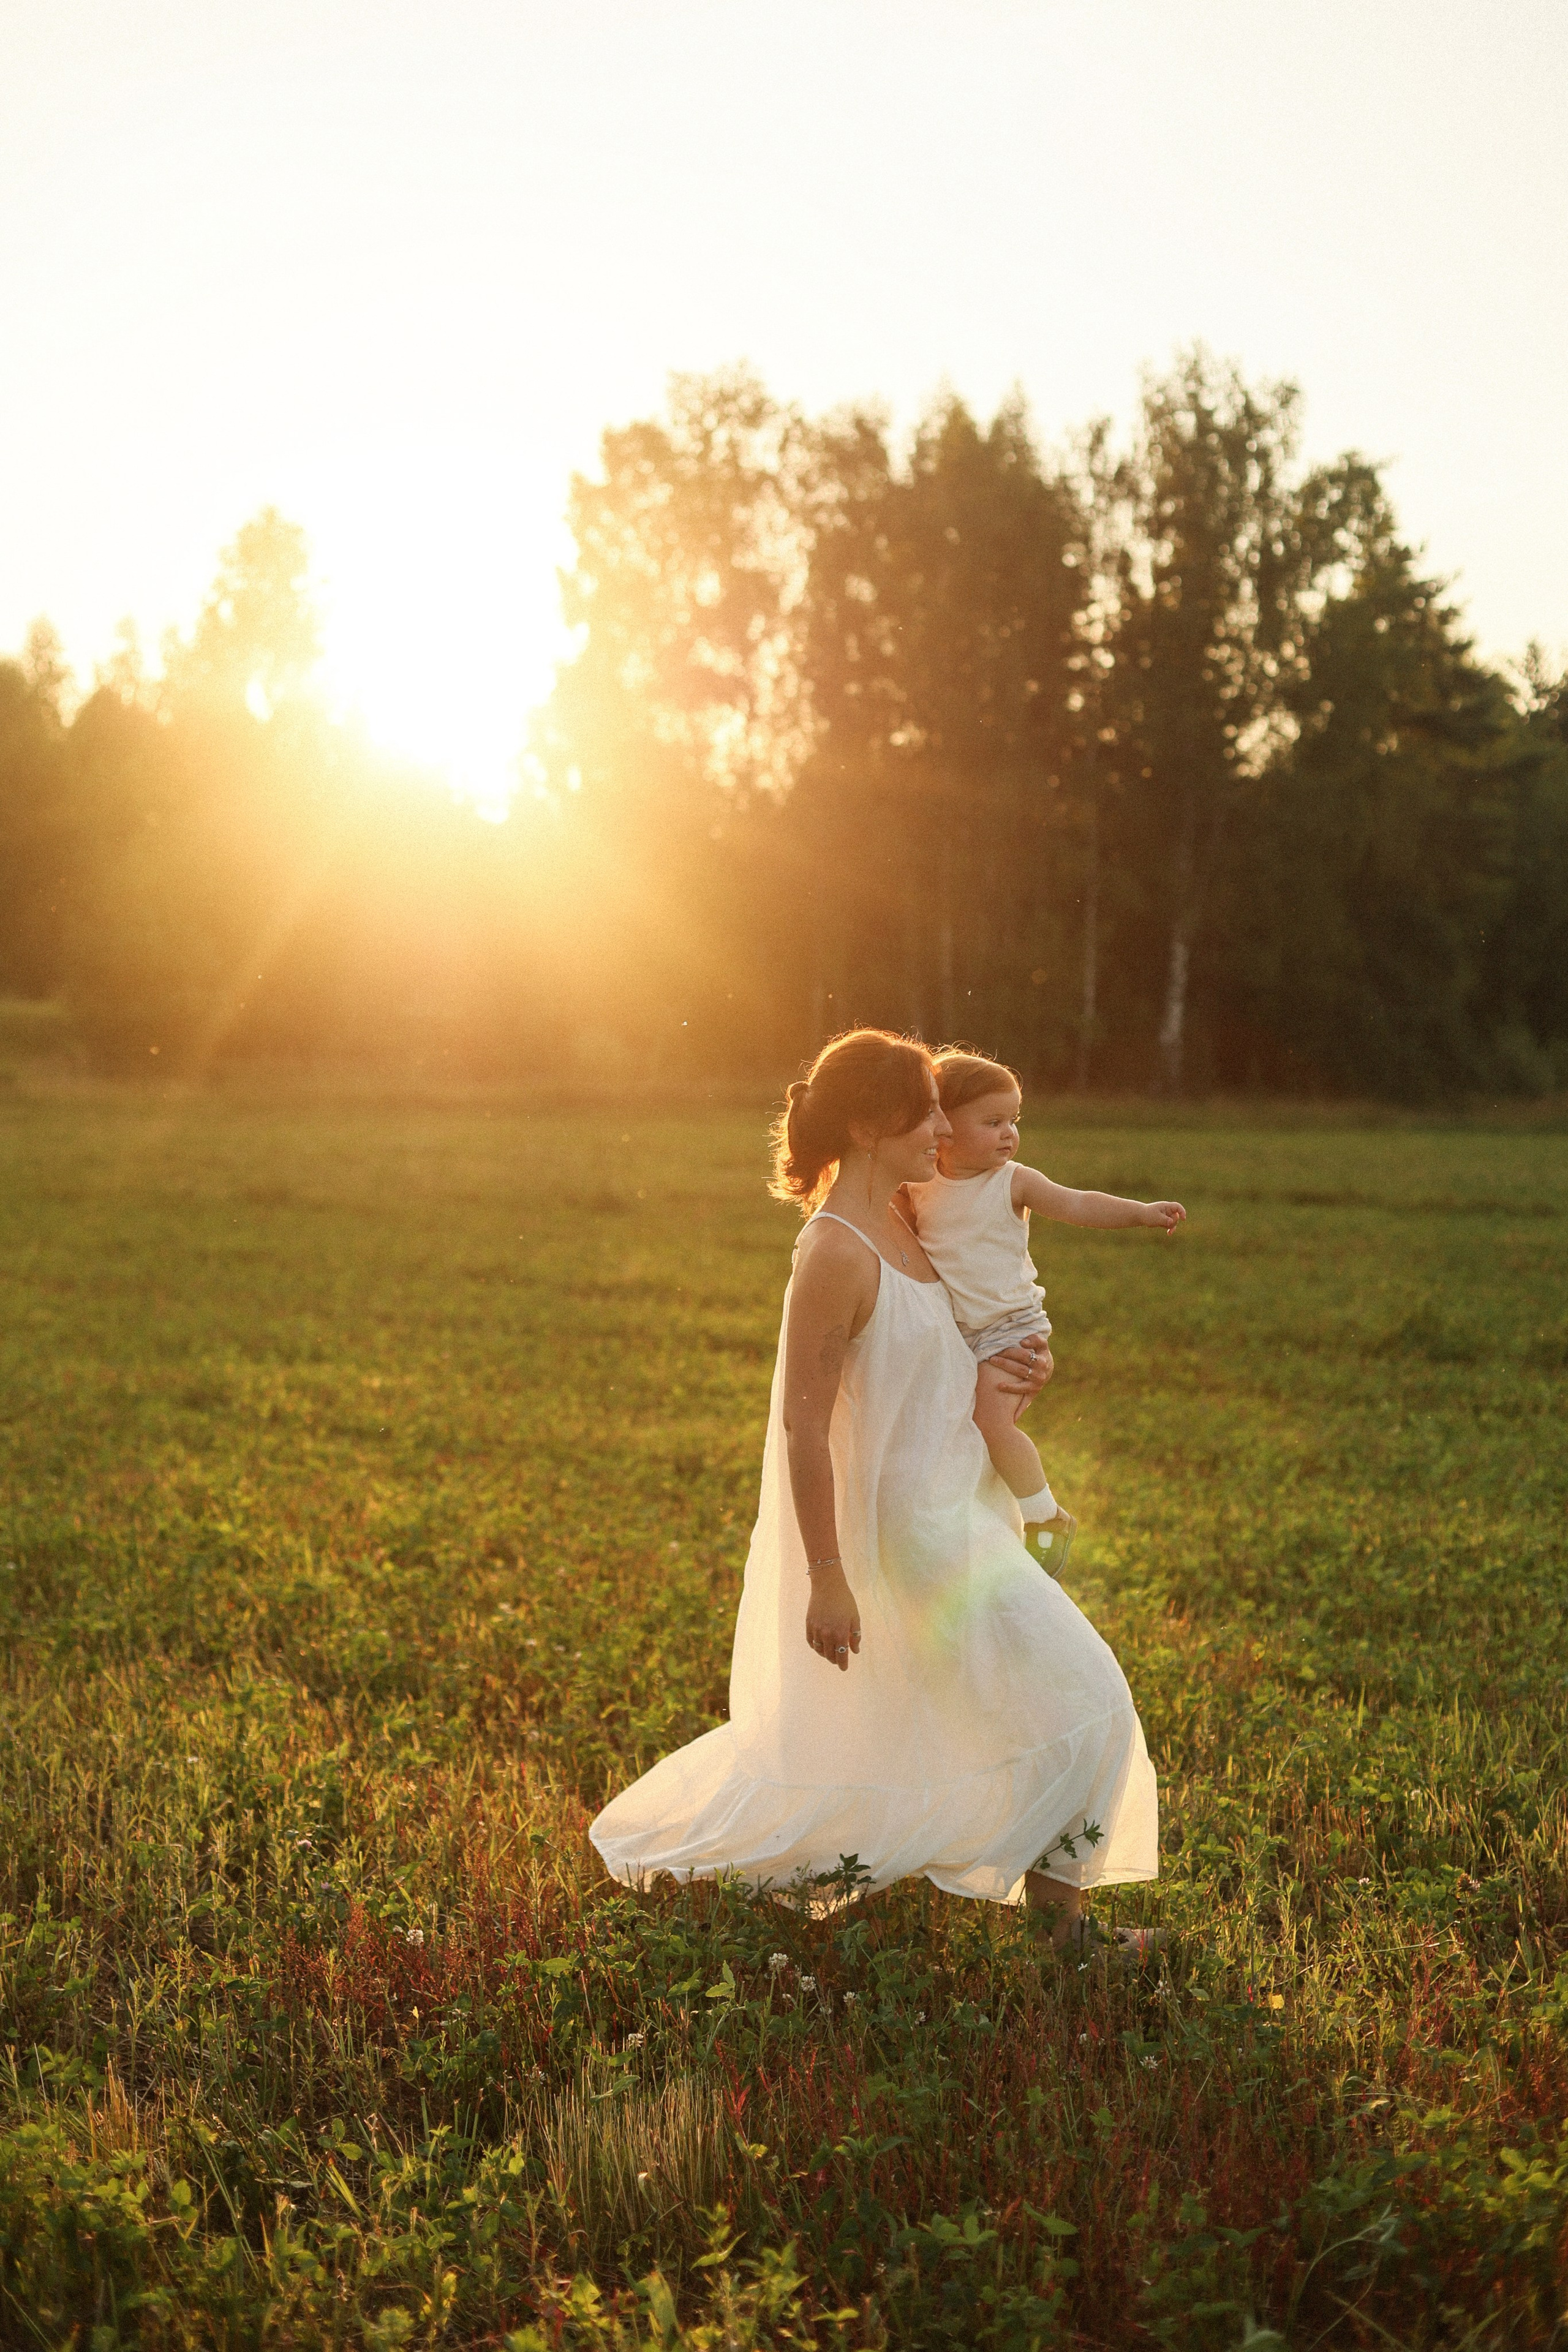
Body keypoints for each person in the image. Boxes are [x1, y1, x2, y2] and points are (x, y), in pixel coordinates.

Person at [589, 1029, 1159, 1947]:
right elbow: (802, 1428)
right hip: (915, 1534)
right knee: (1088, 1697)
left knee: (1016, 1711)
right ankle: (1067, 1944)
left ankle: (1056, 1928)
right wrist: (827, 1574)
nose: (945, 1124)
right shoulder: (835, 1253)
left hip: (967, 1509)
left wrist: (1017, 1369)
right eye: (925, 1109)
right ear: (865, 1124)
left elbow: (961, 1336)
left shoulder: (916, 1212)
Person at [905, 1050, 1186, 1572]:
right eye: (992, 1122)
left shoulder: (1012, 1180)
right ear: (943, 1125)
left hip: (1009, 1329)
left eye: (1013, 1121)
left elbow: (1077, 1203)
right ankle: (971, 1535)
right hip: (959, 1332)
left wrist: (1140, 1214)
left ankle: (1045, 1516)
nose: (1009, 1134)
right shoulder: (918, 1185)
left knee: (991, 1423)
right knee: (959, 1434)